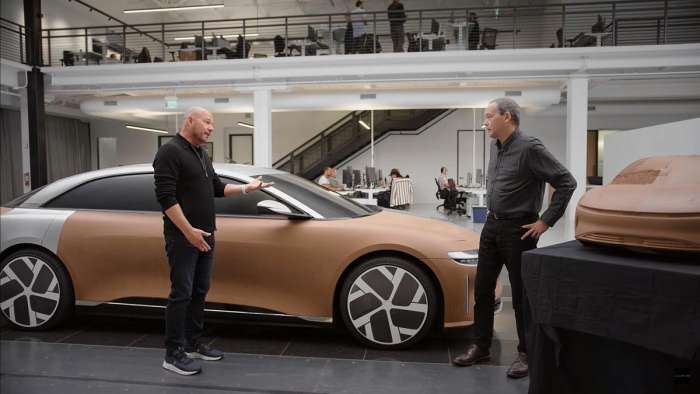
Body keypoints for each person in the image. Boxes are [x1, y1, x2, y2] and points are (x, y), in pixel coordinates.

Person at [452, 97, 576, 379]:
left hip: (518, 230)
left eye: (488, 116)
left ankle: (528, 354)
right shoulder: (496, 147)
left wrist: (546, 221)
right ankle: (480, 346)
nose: (485, 123)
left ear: (507, 117)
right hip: (491, 226)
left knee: (521, 296)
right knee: (482, 290)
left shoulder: (530, 148)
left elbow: (566, 181)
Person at [154, 107, 272, 376]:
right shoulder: (170, 152)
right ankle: (173, 354)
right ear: (190, 120)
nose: (210, 127)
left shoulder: (201, 154)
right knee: (181, 294)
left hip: (206, 235)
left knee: (199, 291)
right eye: (207, 122)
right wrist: (188, 232)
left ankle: (192, 344)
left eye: (212, 124)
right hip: (183, 237)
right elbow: (166, 198)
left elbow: (217, 188)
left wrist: (247, 188)